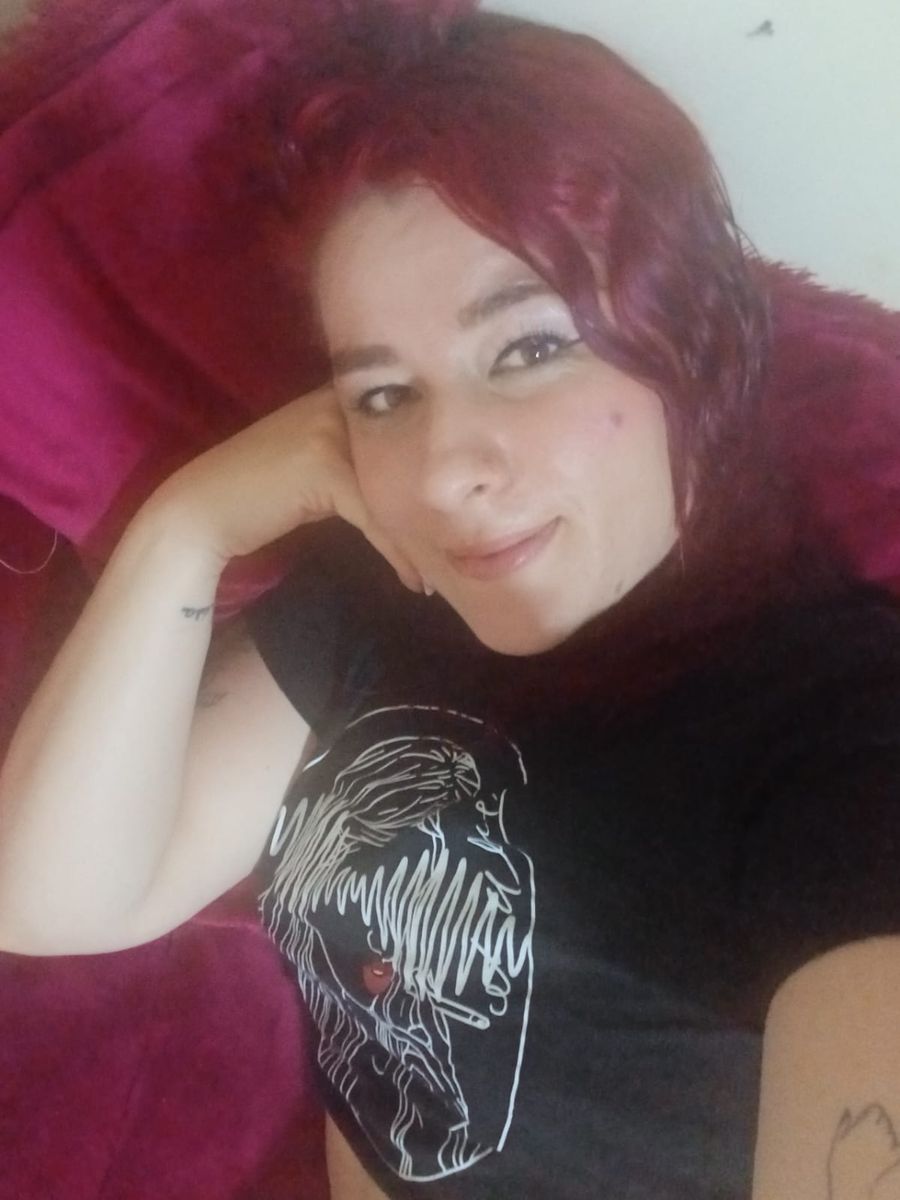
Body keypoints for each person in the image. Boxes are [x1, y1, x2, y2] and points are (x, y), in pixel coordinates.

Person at [2, 4, 900, 1198]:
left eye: (526, 350)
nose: (442, 471)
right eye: (384, 395)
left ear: (695, 326)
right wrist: (190, 525)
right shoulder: (393, 592)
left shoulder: (840, 739)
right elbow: (54, 901)